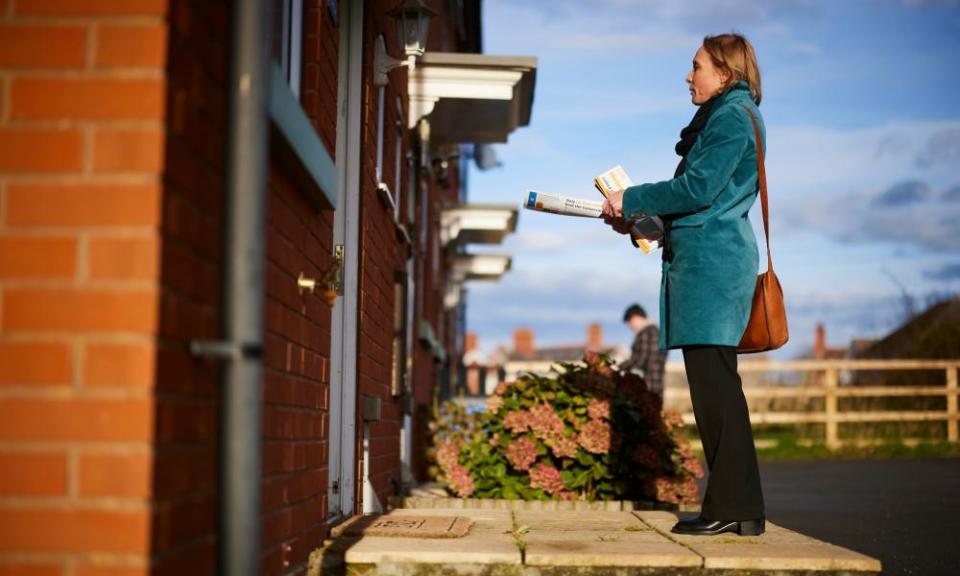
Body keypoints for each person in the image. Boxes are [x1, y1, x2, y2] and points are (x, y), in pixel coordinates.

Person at [601, 33, 766, 537]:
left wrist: (631, 198)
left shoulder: (732, 119)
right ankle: (743, 508)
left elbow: (697, 189)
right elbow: (703, 202)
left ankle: (731, 506)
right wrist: (640, 222)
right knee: (717, 391)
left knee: (716, 392)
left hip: (712, 271)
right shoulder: (725, 118)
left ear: (725, 73)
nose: (688, 75)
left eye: (696, 66)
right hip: (705, 266)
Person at [620, 304, 667, 398]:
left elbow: (640, 361)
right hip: (657, 384)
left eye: (629, 323)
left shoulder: (646, 333)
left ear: (635, 317)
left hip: (647, 387)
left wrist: (620, 366)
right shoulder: (656, 331)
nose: (631, 327)